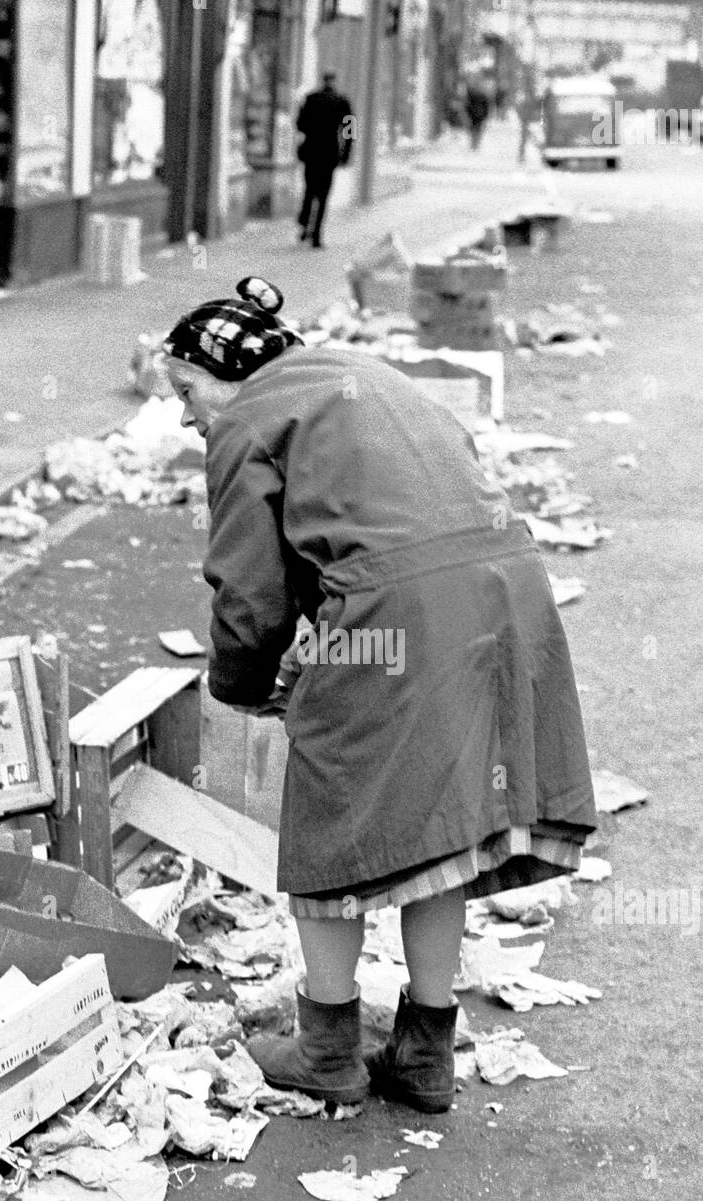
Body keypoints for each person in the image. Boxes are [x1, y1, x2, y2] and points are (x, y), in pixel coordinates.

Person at [161, 277, 597, 1115]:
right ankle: (426, 1052)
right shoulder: (365, 373)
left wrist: (242, 691)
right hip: (508, 598)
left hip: (400, 611)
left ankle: (326, 1048)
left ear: (227, 371)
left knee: (333, 817)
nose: (185, 416)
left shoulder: (249, 418)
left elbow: (249, 594)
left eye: (185, 391)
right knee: (437, 822)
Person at [295, 71, 354, 250]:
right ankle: (317, 235)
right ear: (334, 82)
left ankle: (305, 223)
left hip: (311, 151)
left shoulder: (310, 99)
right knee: (323, 194)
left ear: (322, 81)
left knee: (309, 189)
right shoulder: (342, 101)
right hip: (329, 153)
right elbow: (350, 129)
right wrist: (346, 153)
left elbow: (300, 125)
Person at [464, 79, 492, 151]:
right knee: (476, 130)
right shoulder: (472, 95)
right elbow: (467, 105)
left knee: (475, 130)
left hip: (477, 114)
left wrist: (486, 115)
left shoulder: (479, 95)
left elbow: (486, 106)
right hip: (476, 114)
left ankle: (474, 145)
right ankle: (475, 145)